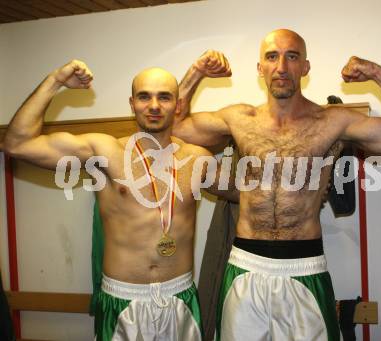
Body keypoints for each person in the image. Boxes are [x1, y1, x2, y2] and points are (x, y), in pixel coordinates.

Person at [173, 29, 381, 341]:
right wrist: (196, 73)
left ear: (305, 67)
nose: (281, 66)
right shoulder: (239, 118)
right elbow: (172, 128)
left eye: (292, 56)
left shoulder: (334, 120)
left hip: (304, 267)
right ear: (260, 68)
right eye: (272, 57)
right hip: (245, 265)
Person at [3, 58, 232, 340]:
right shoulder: (105, 152)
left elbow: (251, 192)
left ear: (178, 105)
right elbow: (16, 144)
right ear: (132, 103)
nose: (154, 105)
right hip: (123, 301)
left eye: (164, 97)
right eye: (144, 96)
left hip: (180, 297)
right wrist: (55, 81)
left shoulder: (198, 160)